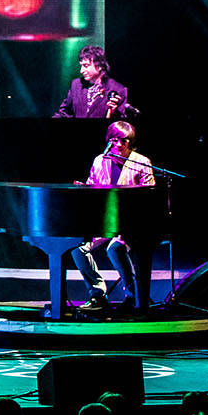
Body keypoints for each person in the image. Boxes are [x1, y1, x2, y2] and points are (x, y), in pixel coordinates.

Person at [74, 119, 155, 310]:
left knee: (114, 249)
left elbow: (150, 198)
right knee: (78, 248)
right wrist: (85, 189)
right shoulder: (99, 161)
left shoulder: (141, 162)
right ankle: (97, 294)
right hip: (105, 223)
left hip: (131, 225)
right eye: (114, 139)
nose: (118, 144)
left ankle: (132, 294)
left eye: (123, 140)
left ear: (130, 142)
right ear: (108, 140)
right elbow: (93, 187)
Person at [52, 45, 134, 120]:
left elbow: (122, 124)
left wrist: (114, 112)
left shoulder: (118, 89)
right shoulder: (76, 85)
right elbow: (64, 113)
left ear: (100, 66)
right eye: (81, 66)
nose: (81, 71)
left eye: (86, 66)